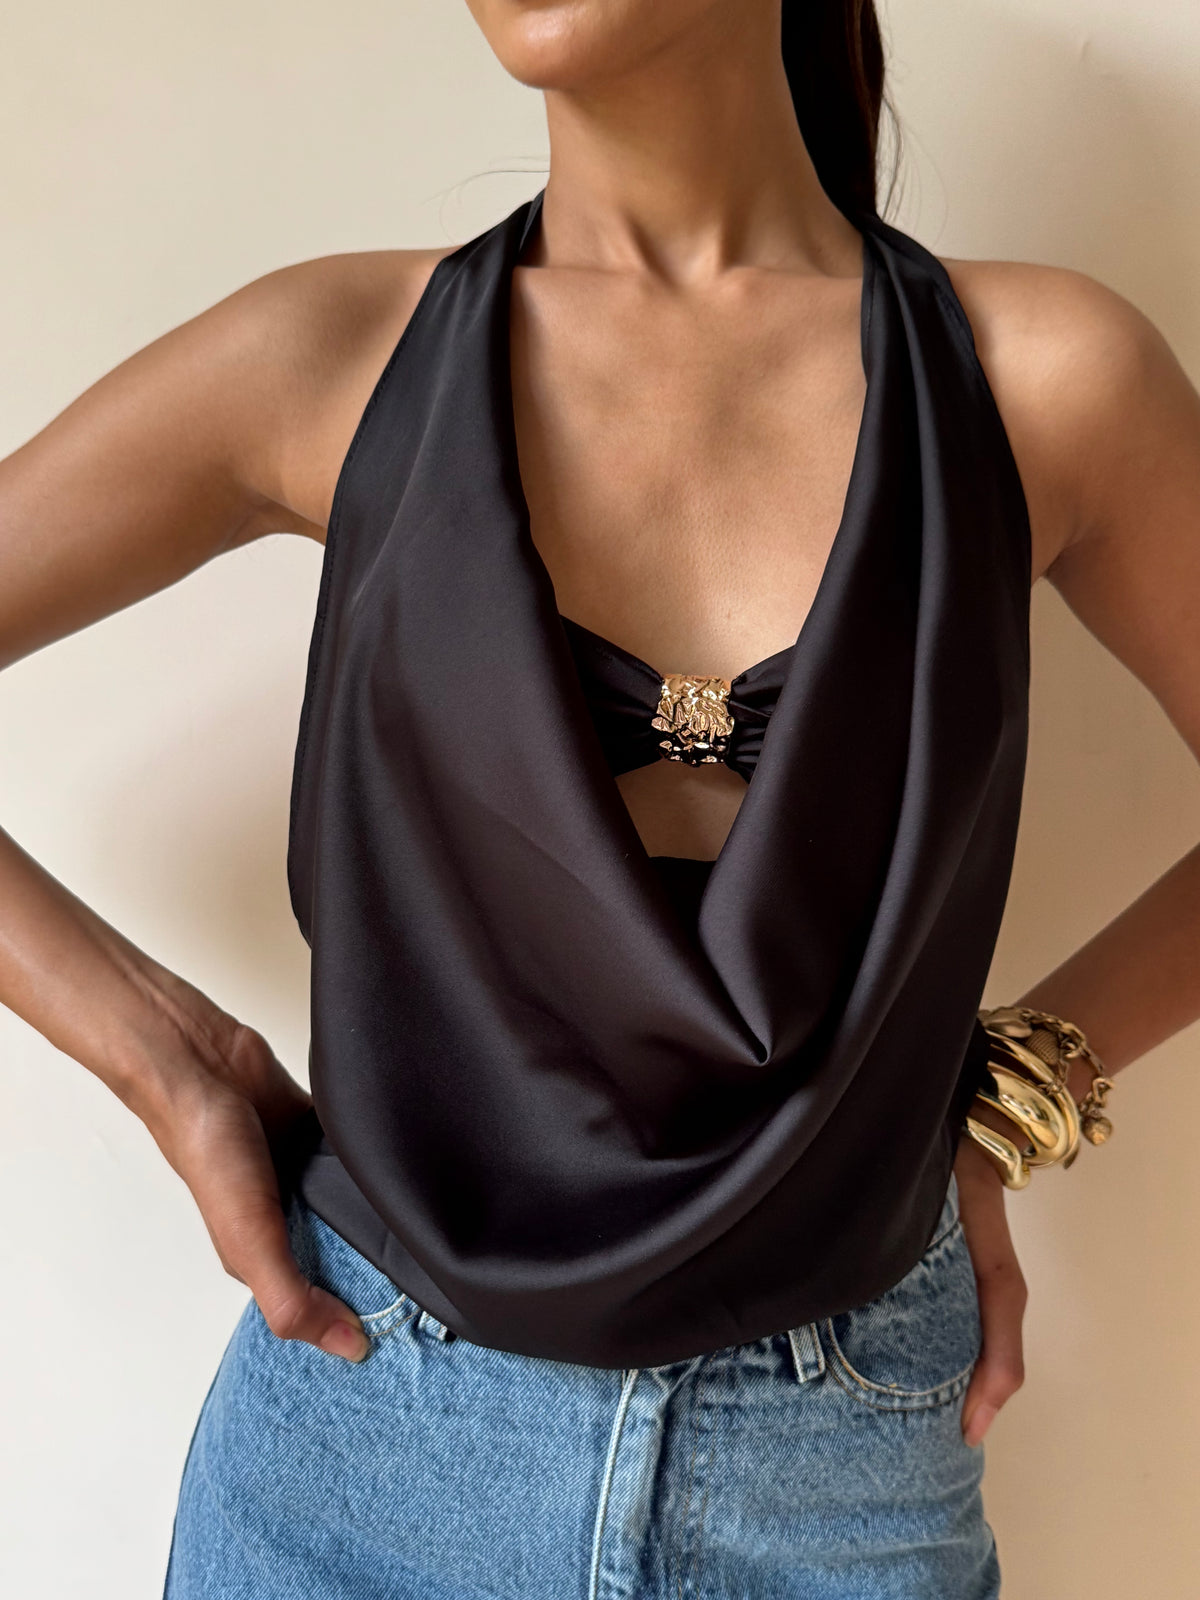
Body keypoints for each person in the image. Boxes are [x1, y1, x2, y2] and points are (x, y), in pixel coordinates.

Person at [2, 2, 1198, 1596]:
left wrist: (1017, 1089)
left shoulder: (1047, 381)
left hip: (840, 1480)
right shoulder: (325, 358)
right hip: (353, 1447)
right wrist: (167, 1057)